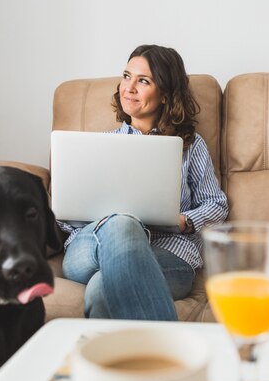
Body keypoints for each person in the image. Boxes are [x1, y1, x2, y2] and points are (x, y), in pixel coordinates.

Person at [58, 45, 229, 321]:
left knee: (102, 288)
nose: (129, 88)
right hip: (90, 250)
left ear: (165, 94)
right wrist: (99, 219)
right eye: (126, 76)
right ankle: (171, 352)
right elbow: (65, 218)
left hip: (168, 252)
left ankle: (114, 362)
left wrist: (185, 220)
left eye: (143, 81)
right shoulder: (96, 146)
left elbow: (216, 205)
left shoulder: (189, 145)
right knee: (122, 222)